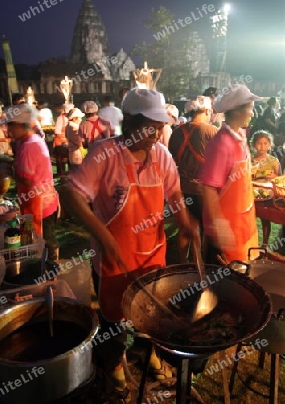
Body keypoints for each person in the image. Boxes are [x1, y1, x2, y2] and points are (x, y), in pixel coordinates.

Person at [63, 88, 199, 403]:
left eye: (162, 124)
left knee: (153, 313)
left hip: (152, 255)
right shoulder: (104, 153)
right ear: (133, 124)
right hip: (113, 261)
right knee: (113, 319)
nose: (160, 131)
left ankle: (149, 354)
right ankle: (113, 368)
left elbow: (176, 195)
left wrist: (185, 223)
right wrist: (104, 235)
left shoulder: (162, 155)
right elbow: (71, 195)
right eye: (153, 125)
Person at [201, 84, 261, 263]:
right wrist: (220, 229)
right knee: (225, 285)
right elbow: (208, 188)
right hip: (227, 232)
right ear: (236, 111)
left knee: (244, 279)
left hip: (244, 225)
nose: (252, 113)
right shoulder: (221, 143)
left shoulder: (240, 137)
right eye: (250, 109)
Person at [4, 104, 59, 259]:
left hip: (40, 204)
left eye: (11, 126)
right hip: (40, 200)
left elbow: (27, 180)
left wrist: (10, 173)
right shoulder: (27, 140)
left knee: (45, 242)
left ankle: (51, 272)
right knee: (43, 240)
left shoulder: (30, 145)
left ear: (21, 125)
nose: (9, 130)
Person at [169, 96, 217, 261]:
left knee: (185, 227)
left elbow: (172, 160)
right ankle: (202, 264)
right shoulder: (211, 131)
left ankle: (183, 263)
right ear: (206, 111)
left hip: (181, 189)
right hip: (204, 191)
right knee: (206, 229)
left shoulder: (176, 132)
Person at [251, 130, 281, 250]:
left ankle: (264, 243)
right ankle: (251, 242)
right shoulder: (251, 161)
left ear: (270, 144)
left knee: (265, 218)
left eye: (265, 143)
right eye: (259, 143)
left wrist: (274, 177)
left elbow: (280, 178)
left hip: (266, 194)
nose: (262, 146)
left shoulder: (274, 161)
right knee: (251, 219)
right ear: (254, 145)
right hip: (252, 193)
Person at [53, 103, 74, 177]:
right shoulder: (60, 118)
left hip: (70, 143)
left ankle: (71, 175)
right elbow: (57, 132)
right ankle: (62, 176)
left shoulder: (73, 119)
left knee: (70, 160)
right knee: (61, 161)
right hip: (61, 143)